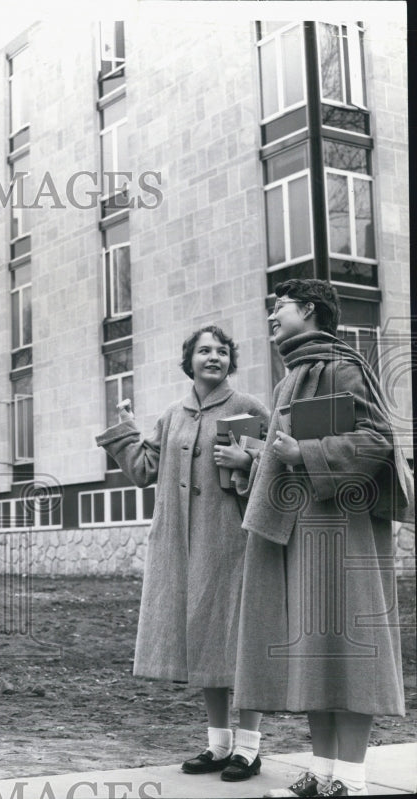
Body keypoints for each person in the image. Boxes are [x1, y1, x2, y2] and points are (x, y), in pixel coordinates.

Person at [232, 279, 413, 798]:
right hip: (301, 531)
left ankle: (350, 781)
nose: (272, 316)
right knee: (316, 654)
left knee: (350, 654)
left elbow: (378, 439)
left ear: (308, 310)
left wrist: (302, 456)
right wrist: (259, 460)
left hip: (345, 533)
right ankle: (322, 773)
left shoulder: (342, 366)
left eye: (280, 307)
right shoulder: (291, 377)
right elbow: (288, 452)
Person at [96, 325, 270, 782]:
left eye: (221, 351)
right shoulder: (174, 414)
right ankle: (218, 745)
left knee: (237, 642)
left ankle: (249, 750)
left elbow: (278, 470)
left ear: (231, 361)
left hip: (233, 543)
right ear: (189, 360)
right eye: (203, 351)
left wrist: (249, 462)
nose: (213, 357)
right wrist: (126, 429)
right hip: (181, 544)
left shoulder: (249, 408)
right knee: (203, 641)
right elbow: (143, 470)